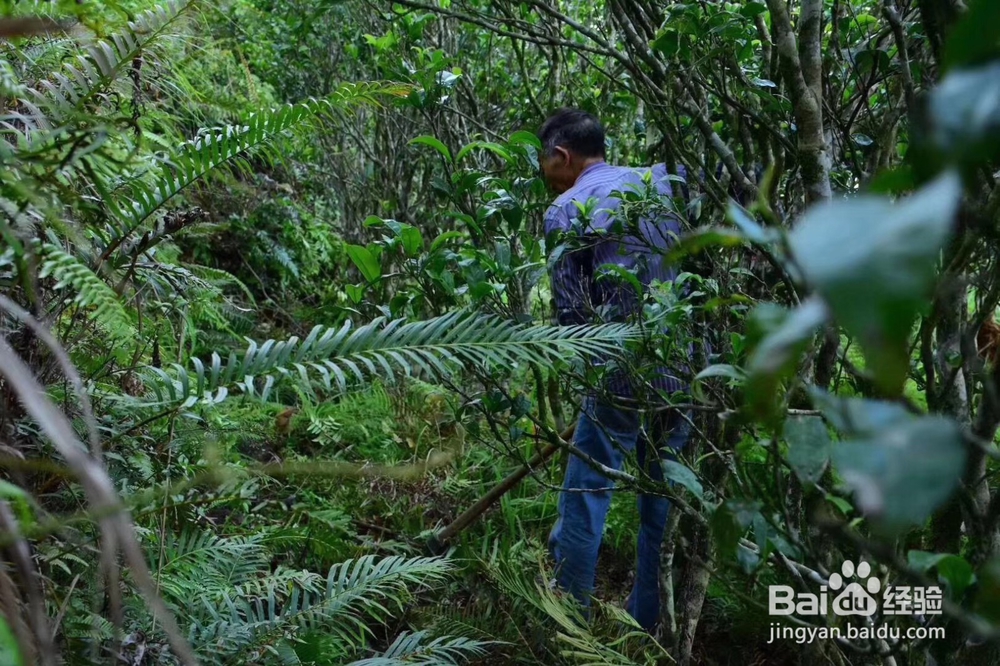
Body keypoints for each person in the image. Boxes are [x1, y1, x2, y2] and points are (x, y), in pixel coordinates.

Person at [537, 108, 692, 634]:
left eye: (544, 162)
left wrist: (588, 386)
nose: (544, 175)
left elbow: (573, 316)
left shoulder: (567, 208)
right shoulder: (662, 182)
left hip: (617, 371)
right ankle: (647, 627)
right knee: (661, 501)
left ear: (561, 157)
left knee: (585, 496)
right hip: (681, 363)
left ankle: (571, 626)